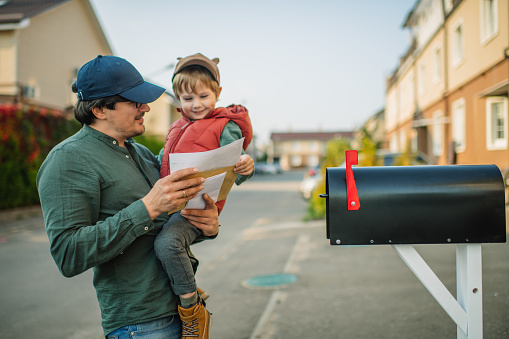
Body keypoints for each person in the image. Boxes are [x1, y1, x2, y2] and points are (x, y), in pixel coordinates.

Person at [36, 55, 220, 339]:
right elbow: (68, 255)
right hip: (140, 326)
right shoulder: (68, 159)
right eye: (135, 101)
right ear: (99, 109)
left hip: (183, 310)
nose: (145, 107)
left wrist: (206, 227)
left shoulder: (143, 154)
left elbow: (162, 229)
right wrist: (147, 207)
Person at [154, 53, 254, 338]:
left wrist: (246, 166)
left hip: (198, 207)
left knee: (167, 244)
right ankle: (190, 286)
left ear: (218, 93)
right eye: (187, 99)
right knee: (152, 241)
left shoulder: (226, 125)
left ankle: (192, 310)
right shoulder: (175, 127)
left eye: (203, 96)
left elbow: (240, 160)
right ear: (177, 99)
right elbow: (163, 159)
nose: (196, 105)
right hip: (173, 203)